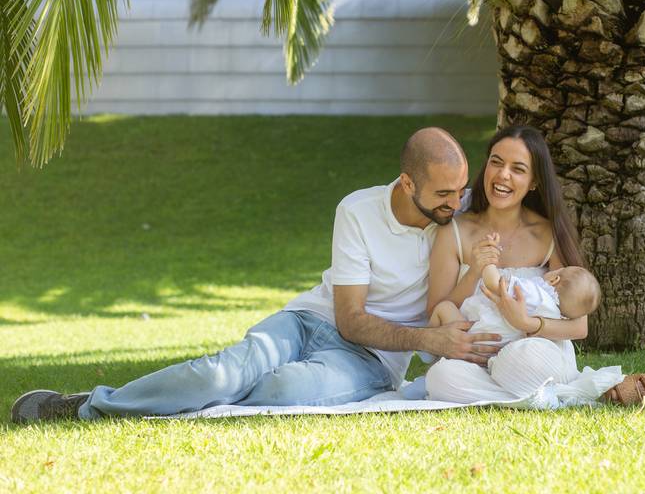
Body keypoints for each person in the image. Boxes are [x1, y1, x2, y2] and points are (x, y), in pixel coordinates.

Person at [11, 127, 504, 424]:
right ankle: (89, 405)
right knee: (223, 372)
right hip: (310, 321)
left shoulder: (454, 232)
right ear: (407, 182)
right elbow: (349, 319)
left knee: (281, 392)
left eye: (461, 191)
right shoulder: (357, 209)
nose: (455, 202)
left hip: (373, 361)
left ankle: (174, 399)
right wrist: (430, 340)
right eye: (444, 193)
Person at [423, 125, 645, 405]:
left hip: (534, 352)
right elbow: (435, 315)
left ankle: (526, 394)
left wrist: (526, 323)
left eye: (518, 169)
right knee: (440, 379)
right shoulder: (453, 231)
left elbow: (579, 327)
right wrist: (475, 269)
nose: (502, 175)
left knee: (528, 360)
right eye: (496, 162)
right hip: (476, 360)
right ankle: (556, 396)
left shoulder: (547, 233)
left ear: (534, 181)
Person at [428, 262, 602, 347]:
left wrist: (487, 263)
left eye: (558, 270)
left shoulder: (535, 294)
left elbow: (495, 284)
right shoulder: (556, 314)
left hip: (476, 333)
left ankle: (428, 354)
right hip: (500, 346)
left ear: (555, 279)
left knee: (444, 308)